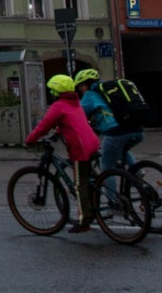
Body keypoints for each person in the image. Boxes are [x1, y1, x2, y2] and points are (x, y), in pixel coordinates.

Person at [25, 74, 100, 233]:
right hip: (92, 142)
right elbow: (69, 121)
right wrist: (59, 131)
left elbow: (43, 126)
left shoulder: (58, 106)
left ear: (54, 92)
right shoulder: (75, 102)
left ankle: (84, 220)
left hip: (80, 148)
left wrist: (30, 140)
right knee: (89, 179)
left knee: (80, 184)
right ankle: (94, 205)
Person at [76, 68, 144, 173]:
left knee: (107, 167)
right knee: (119, 150)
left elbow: (77, 114)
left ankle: (110, 189)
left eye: (80, 86)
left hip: (117, 132)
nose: (80, 89)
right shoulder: (109, 91)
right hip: (137, 130)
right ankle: (138, 175)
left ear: (86, 84)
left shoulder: (89, 95)